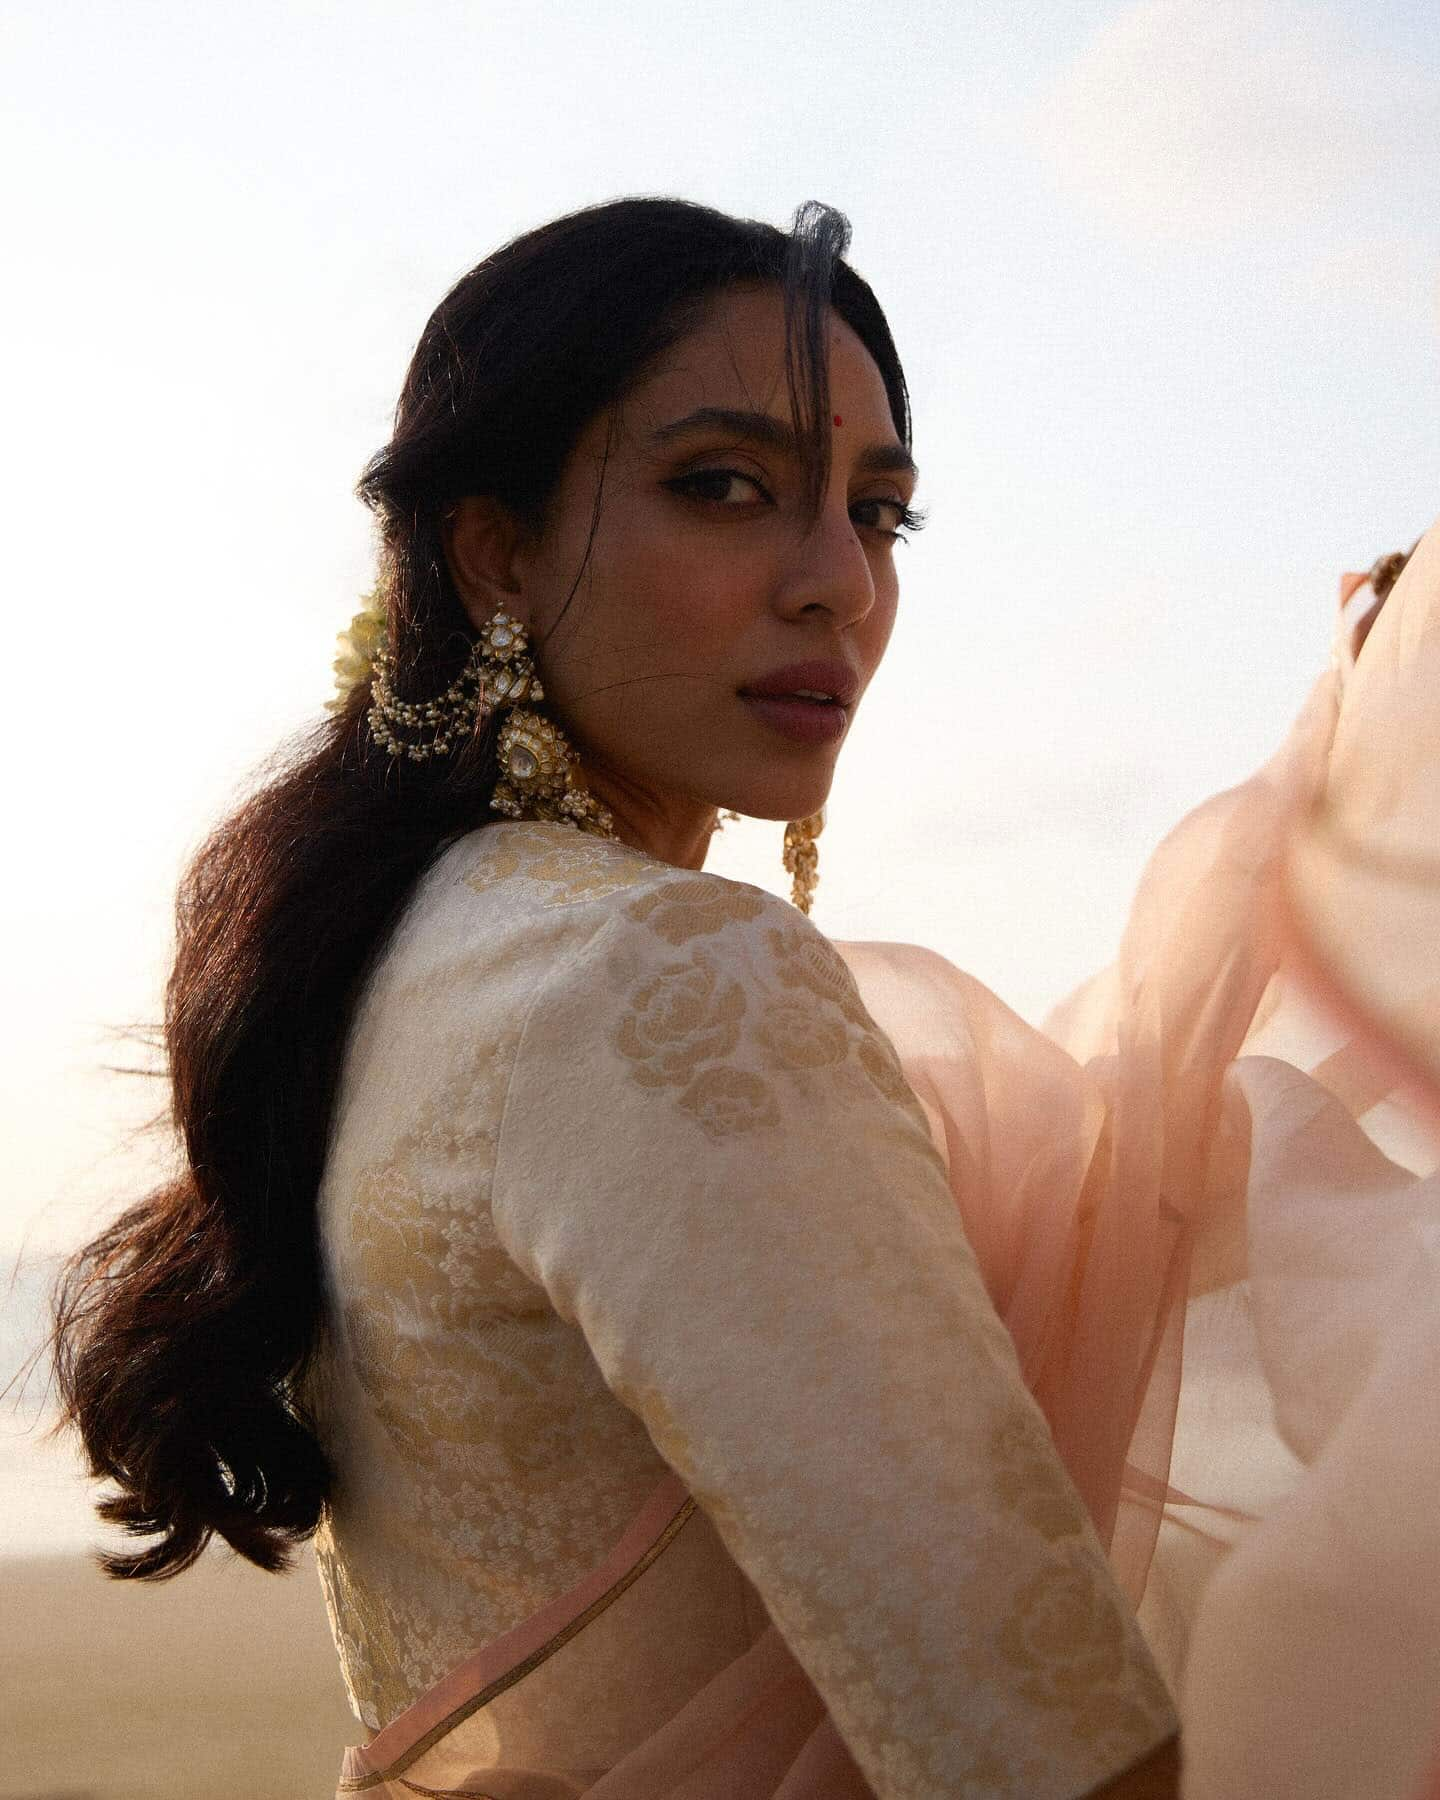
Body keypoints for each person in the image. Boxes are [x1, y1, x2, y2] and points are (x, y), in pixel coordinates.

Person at [50, 198, 1182, 1799]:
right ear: (496, 549)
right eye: (723, 488)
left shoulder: (394, 952)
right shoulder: (663, 976)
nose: (836, 585)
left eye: (881, 515)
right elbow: (1045, 1749)